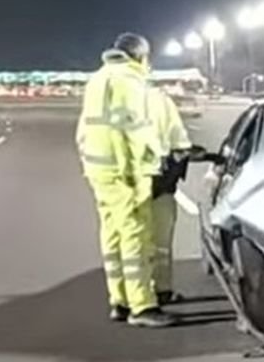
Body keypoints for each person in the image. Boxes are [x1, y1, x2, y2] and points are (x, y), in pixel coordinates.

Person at [75, 33, 177, 328]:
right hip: (125, 171)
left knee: (112, 234)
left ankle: (119, 300)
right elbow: (138, 128)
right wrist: (157, 158)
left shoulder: (97, 79)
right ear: (140, 56)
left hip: (99, 169)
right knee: (135, 235)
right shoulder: (130, 82)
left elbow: (84, 128)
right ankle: (142, 307)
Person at [147, 87, 196, 306]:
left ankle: (124, 301)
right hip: (159, 179)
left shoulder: (105, 99)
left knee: (127, 243)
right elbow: (180, 143)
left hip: (121, 183)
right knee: (160, 241)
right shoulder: (158, 100)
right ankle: (160, 291)